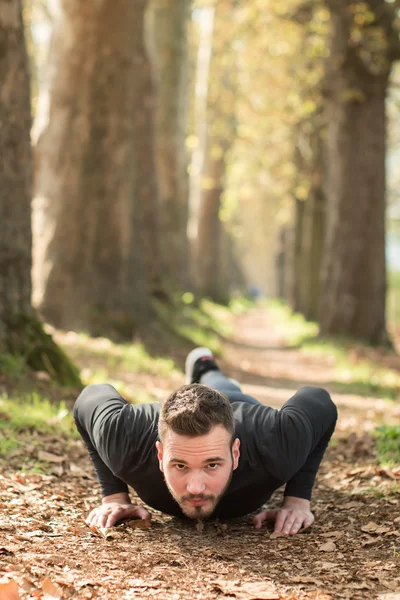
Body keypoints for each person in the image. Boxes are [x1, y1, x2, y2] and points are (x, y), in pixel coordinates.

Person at [74, 347, 337, 535]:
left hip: (239, 408)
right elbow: (90, 397)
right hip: (169, 415)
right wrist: (114, 496)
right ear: (160, 455)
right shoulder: (125, 441)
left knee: (226, 389)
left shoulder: (275, 443)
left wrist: (297, 500)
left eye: (212, 464)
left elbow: (318, 401)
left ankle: (206, 368)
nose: (196, 488)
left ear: (235, 453)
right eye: (180, 466)